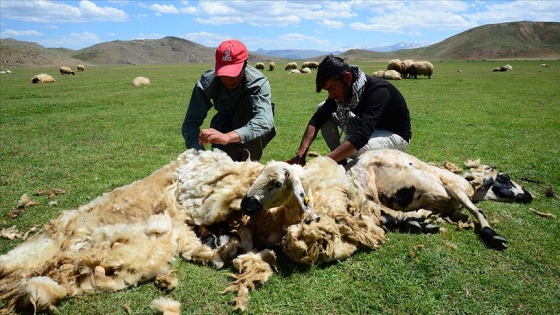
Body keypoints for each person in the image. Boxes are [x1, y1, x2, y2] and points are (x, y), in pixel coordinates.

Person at [287, 54, 411, 166]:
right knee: (323, 110)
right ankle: (340, 163)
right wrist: (301, 155)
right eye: (328, 90)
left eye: (333, 88)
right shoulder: (346, 90)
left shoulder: (378, 91)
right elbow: (317, 119)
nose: (331, 95)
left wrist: (322, 163)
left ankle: (344, 165)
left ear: (347, 77)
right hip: (371, 129)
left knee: (355, 147)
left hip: (395, 135)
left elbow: (361, 136)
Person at [182, 39, 276, 161]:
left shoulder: (258, 82)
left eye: (233, 73)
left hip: (251, 123)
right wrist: (198, 151)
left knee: (247, 165)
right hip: (224, 121)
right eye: (224, 73)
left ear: (245, 64)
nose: (229, 79)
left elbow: (264, 121)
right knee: (223, 164)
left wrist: (228, 137)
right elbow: (190, 124)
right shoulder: (207, 82)